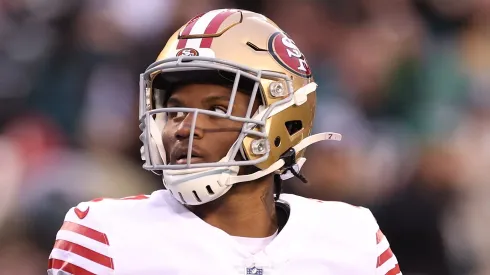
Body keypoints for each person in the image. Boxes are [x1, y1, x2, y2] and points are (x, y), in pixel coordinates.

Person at [47, 9, 401, 275]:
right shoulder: (104, 234)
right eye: (174, 110)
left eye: (216, 109)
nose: (184, 128)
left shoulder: (354, 241)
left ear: (282, 118)